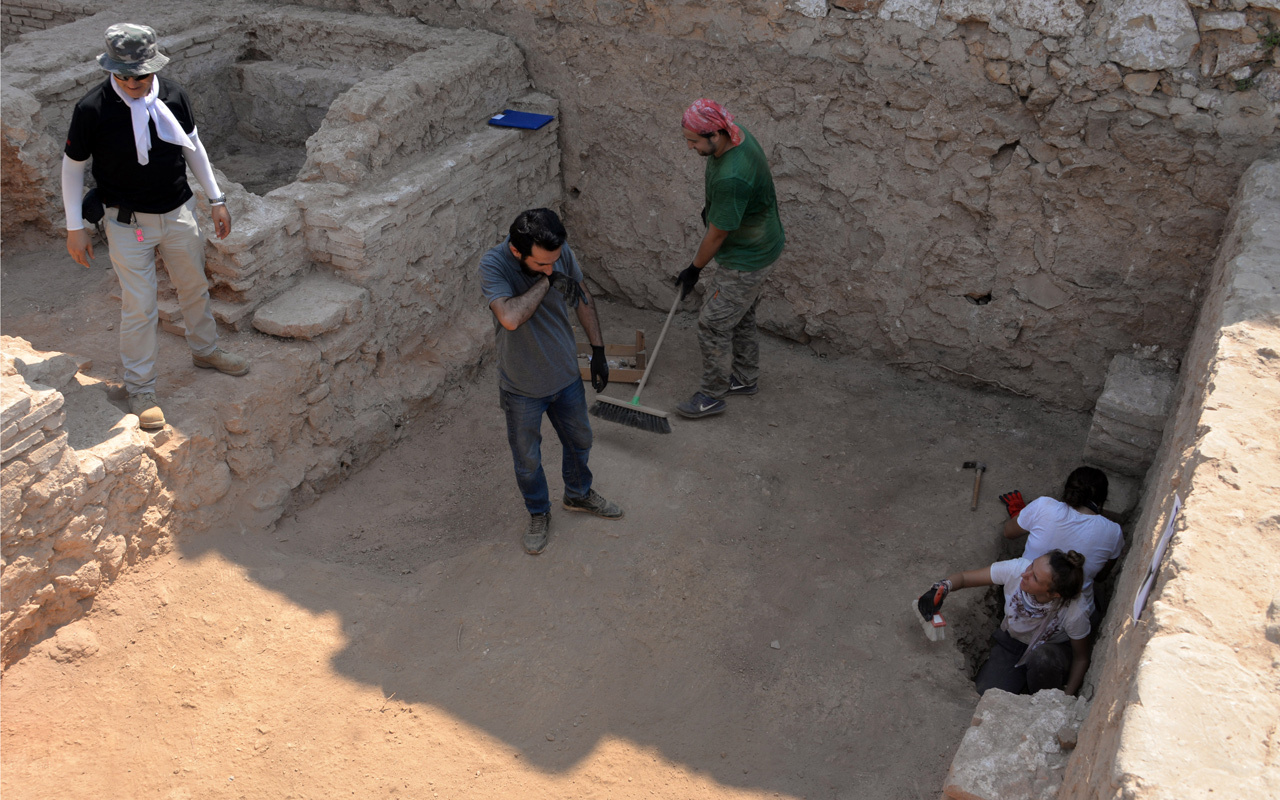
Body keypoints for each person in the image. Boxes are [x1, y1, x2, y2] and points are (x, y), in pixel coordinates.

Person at [62, 23, 249, 431]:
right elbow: (73, 168)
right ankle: (141, 388)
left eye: (140, 75)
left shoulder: (174, 95)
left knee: (194, 286)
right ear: (111, 70)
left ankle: (205, 350)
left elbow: (193, 146)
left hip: (178, 212)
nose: (132, 82)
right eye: (123, 75)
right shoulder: (91, 109)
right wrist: (74, 225)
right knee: (140, 306)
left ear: (154, 68)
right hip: (127, 223)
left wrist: (215, 199)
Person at [479, 208, 623, 555]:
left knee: (580, 440)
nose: (553, 266)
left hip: (565, 375)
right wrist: (547, 280)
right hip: (522, 386)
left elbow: (582, 297)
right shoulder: (494, 264)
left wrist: (598, 349)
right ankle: (538, 512)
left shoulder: (557, 252)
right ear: (518, 251)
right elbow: (510, 318)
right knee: (527, 459)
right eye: (542, 264)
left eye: (555, 262)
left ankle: (577, 493)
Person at [673, 99, 785, 419]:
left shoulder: (732, 177)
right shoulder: (735, 134)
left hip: (746, 257)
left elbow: (717, 234)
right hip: (761, 245)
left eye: (694, 141)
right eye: (687, 140)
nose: (691, 148)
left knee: (712, 321)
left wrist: (693, 270)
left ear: (716, 134)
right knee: (741, 313)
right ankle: (745, 378)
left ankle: (711, 395)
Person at [918, 550, 1092, 696]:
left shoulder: (1074, 611)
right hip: (1011, 644)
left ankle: (1042, 699)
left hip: (1051, 651)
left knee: (1042, 658)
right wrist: (942, 588)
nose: (1025, 574)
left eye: (1035, 578)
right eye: (1032, 565)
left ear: (1055, 594)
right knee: (985, 695)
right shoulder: (1017, 570)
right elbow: (964, 578)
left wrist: (1066, 698)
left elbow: (1081, 658)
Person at [1000, 466, 1124, 612]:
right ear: (1102, 499)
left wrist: (1023, 515)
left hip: (1019, 602)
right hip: (1072, 616)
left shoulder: (1044, 506)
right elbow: (1101, 577)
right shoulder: (1114, 532)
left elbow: (1008, 532)